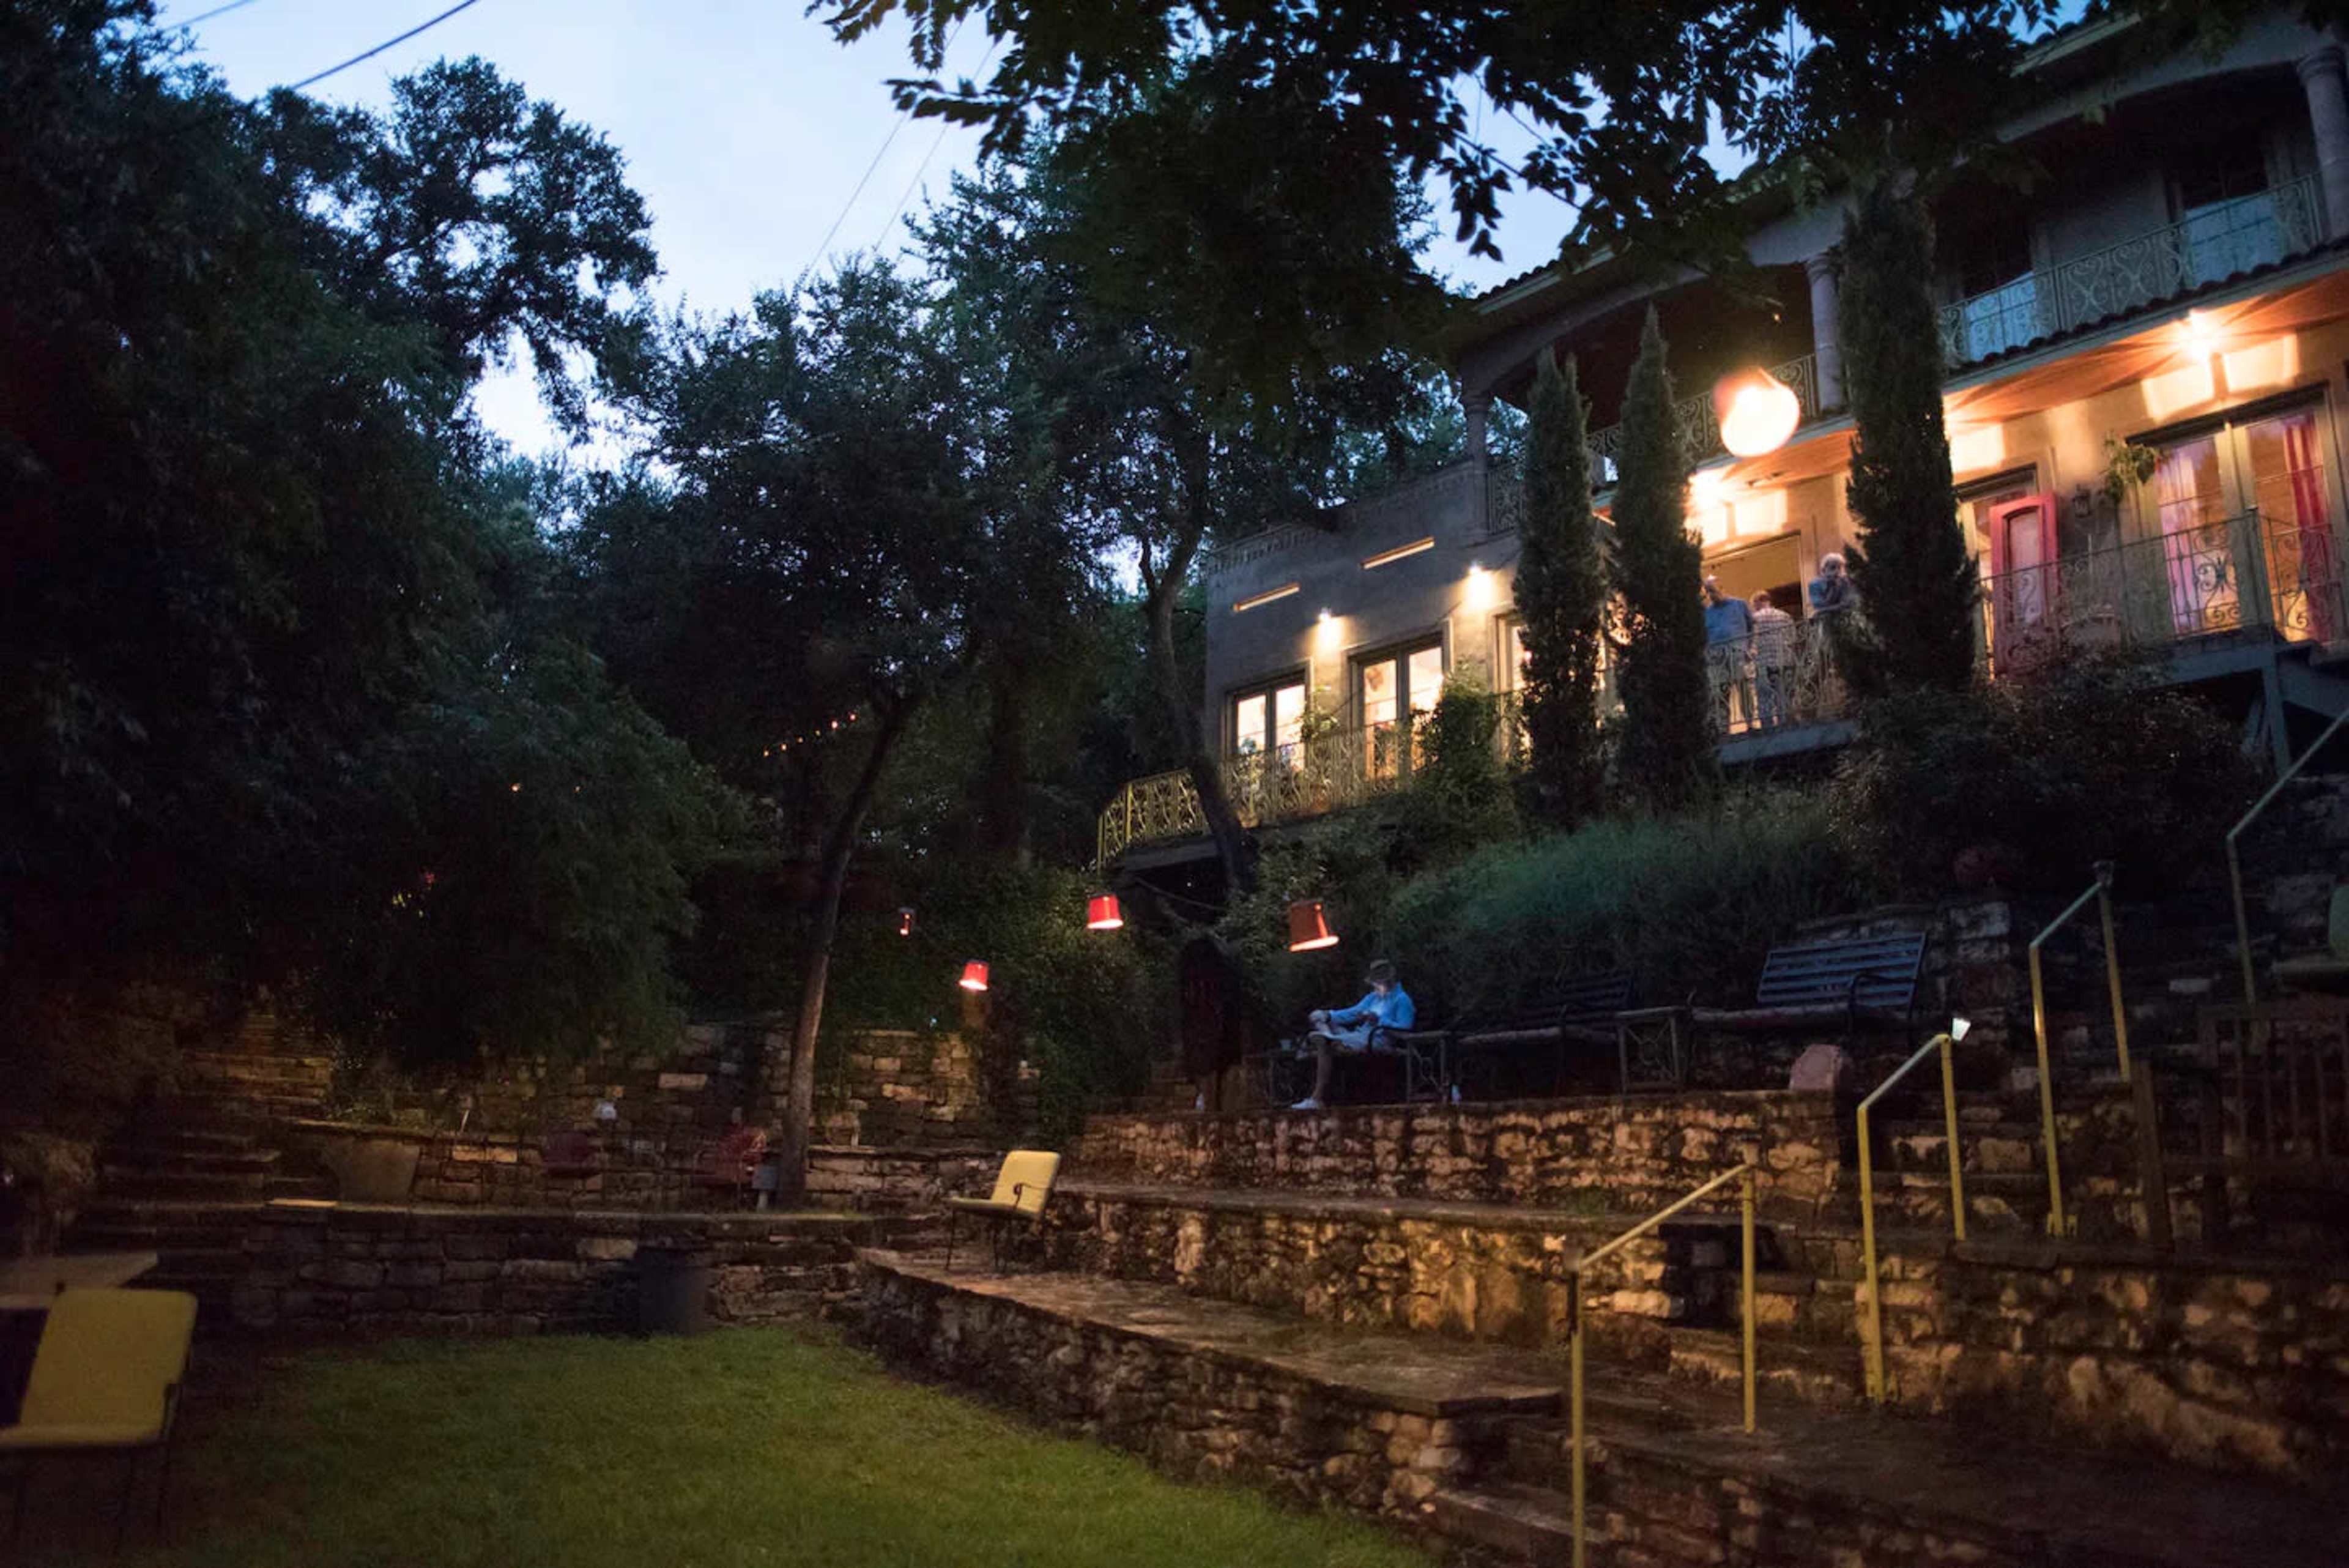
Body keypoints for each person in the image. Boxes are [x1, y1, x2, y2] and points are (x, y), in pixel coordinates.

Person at [1291, 959, 1415, 1111]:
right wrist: (1328, 1015)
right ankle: (1331, 1040)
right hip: (1359, 1036)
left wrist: (1380, 1020)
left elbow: (1405, 1029)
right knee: (1321, 1021)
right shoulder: (1373, 998)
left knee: (1323, 1042)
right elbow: (1352, 1013)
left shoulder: (1402, 1000)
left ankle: (1317, 1097)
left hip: (1377, 1039)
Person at [1701, 576, 1755, 734]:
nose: (1711, 595)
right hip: (1717, 657)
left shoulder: (1739, 604)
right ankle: (1723, 728)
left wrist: (1751, 647)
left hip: (1737, 653)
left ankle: (1750, 723)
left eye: (1713, 590)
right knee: (1720, 694)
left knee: (1744, 690)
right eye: (1708, 592)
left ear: (1722, 587)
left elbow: (1752, 627)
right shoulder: (1708, 612)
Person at [1750, 590, 1796, 729]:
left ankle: (1767, 727)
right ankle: (1784, 724)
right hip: (1784, 659)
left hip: (1763, 662)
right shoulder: (1785, 616)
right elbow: (1793, 638)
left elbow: (1750, 641)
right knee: (1783, 695)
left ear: (1757, 603)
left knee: (1764, 697)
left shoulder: (1753, 619)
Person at [1808, 551, 1857, 615]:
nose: (1837, 571)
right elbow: (1820, 607)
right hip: (1825, 620)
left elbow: (1848, 604)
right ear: (1824, 570)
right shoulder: (1815, 584)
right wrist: (1833, 586)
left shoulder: (1845, 582)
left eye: (1840, 568)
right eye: (1833, 568)